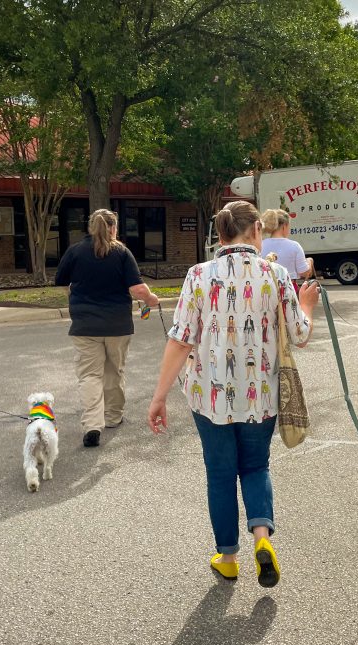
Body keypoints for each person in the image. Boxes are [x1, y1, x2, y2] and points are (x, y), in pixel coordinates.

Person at [148, 201, 320, 587]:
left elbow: (180, 340)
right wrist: (306, 305)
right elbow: (300, 334)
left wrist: (159, 396)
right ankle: (262, 539)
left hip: (209, 397)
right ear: (256, 230)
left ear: (220, 234)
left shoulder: (198, 275)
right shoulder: (274, 274)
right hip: (260, 396)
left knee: (220, 474)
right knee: (256, 467)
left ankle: (228, 557)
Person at [55, 209, 160, 447]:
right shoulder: (122, 252)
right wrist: (152, 299)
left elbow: (61, 280)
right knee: (114, 371)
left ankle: (92, 424)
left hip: (84, 324)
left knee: (90, 375)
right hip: (117, 324)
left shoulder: (75, 250)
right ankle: (113, 417)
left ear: (91, 227)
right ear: (114, 228)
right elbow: (138, 290)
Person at [261, 208, 313, 292]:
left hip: (267, 289)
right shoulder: (294, 246)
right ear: (284, 226)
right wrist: (309, 262)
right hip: (289, 289)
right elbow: (304, 272)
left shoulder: (261, 245)